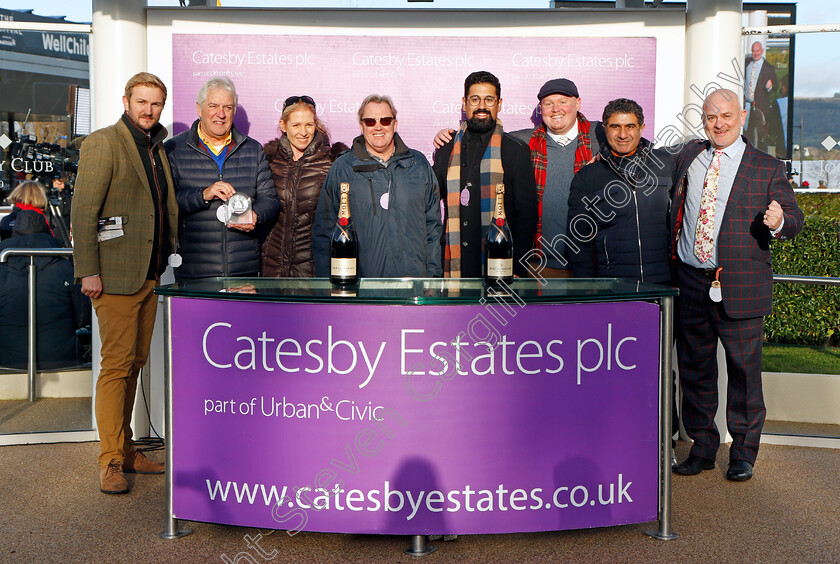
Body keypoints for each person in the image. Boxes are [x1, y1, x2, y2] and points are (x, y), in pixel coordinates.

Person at [671, 88, 803, 482]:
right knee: (695, 371)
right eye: (712, 117)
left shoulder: (766, 167)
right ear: (704, 120)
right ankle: (703, 446)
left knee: (745, 374)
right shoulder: (689, 158)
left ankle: (743, 453)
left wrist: (779, 222)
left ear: (742, 116)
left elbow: (794, 219)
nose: (720, 124)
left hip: (741, 286)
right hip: (691, 281)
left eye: (727, 116)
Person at [71, 72, 178, 494]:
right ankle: (110, 460)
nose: (148, 110)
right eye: (142, 102)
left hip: (148, 274)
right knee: (116, 367)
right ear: (126, 101)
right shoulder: (104, 142)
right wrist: (88, 270)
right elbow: (84, 210)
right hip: (113, 276)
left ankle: (128, 448)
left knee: (133, 363)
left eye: (155, 103)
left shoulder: (155, 147)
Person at [312, 94, 442, 278]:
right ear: (361, 126)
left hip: (414, 287)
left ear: (395, 124)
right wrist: (329, 286)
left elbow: (433, 228)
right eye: (371, 121)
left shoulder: (418, 165)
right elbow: (324, 232)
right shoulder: (343, 168)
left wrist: (433, 279)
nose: (378, 126)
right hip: (361, 289)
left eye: (385, 120)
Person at [165, 76, 280, 279]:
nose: (221, 114)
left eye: (227, 107)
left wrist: (256, 215)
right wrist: (203, 195)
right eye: (213, 106)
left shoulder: (252, 150)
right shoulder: (175, 150)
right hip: (195, 271)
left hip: (243, 270)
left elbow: (270, 200)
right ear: (199, 109)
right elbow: (166, 204)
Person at [432, 71, 537, 278]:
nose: (482, 106)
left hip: (499, 260)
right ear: (464, 103)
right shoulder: (446, 148)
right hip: (455, 262)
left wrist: (517, 267)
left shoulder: (515, 150)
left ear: (499, 104)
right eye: (475, 99)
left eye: (489, 99)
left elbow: (527, 215)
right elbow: (432, 200)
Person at [567, 98, 674, 283]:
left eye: (630, 126)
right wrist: (586, 286)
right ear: (605, 128)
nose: (623, 134)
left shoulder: (665, 163)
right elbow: (578, 239)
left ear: (641, 128)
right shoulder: (588, 176)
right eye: (615, 126)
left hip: (663, 283)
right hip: (613, 285)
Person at [261, 96, 348, 277]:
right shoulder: (268, 160)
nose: (303, 132)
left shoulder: (332, 162)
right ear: (283, 126)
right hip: (272, 270)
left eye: (309, 125)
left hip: (314, 271)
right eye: (296, 125)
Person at [0, 208, 90, 370]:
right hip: (61, 362)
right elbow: (83, 316)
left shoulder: (2, 267)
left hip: (6, 363)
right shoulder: (65, 266)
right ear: (46, 231)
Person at [744, 41, 780, 152]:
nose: (755, 53)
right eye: (753, 51)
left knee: (761, 134)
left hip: (761, 106)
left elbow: (775, 87)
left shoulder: (769, 68)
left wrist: (770, 86)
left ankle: (762, 159)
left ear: (762, 51)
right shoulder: (746, 63)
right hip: (747, 104)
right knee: (747, 133)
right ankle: (747, 156)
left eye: (758, 51)